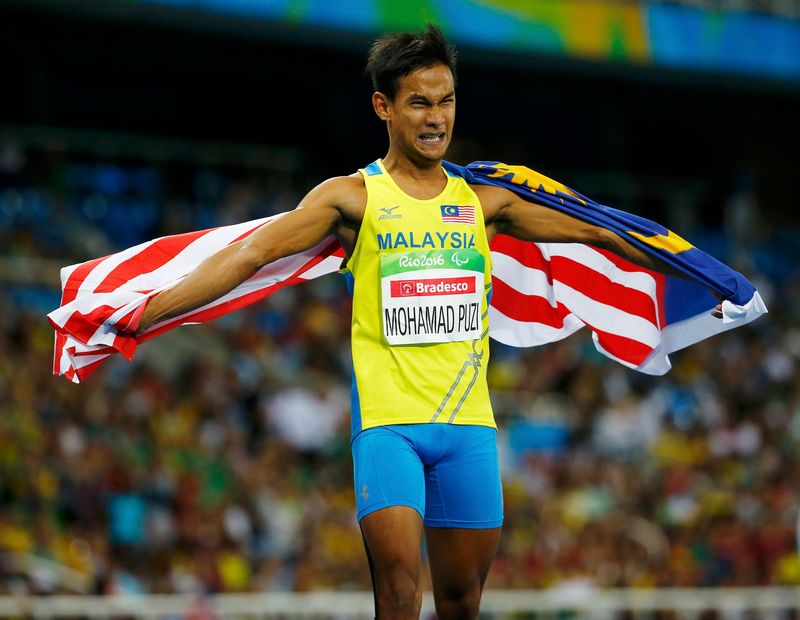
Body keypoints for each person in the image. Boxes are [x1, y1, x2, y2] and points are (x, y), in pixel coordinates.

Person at [134, 25, 705, 620]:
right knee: (400, 593)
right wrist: (150, 313)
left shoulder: (484, 201)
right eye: (419, 103)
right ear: (383, 106)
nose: (437, 118)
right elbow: (251, 253)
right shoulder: (352, 199)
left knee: (462, 601)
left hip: (468, 427)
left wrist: (697, 270)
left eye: (446, 101)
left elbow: (598, 231)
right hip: (389, 427)